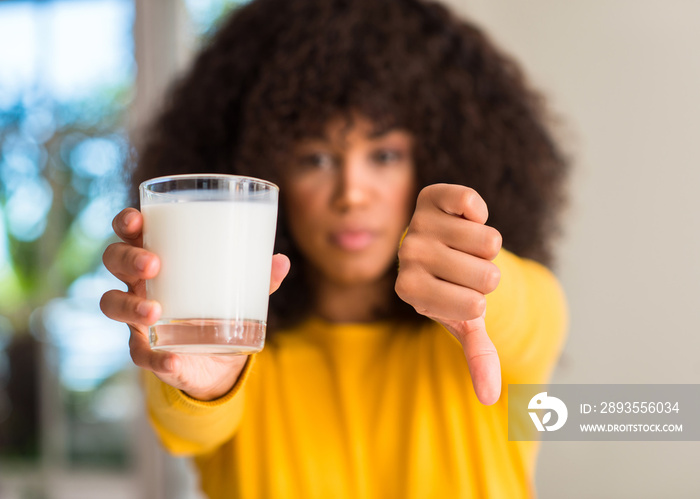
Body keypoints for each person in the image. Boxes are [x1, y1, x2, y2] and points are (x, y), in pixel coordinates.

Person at [101, 0, 569, 497]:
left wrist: (473, 281)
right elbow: (190, 425)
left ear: (430, 161)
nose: (352, 193)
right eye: (317, 158)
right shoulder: (232, 346)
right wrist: (209, 381)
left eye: (384, 155)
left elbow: (526, 310)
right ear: (270, 173)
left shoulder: (490, 334)